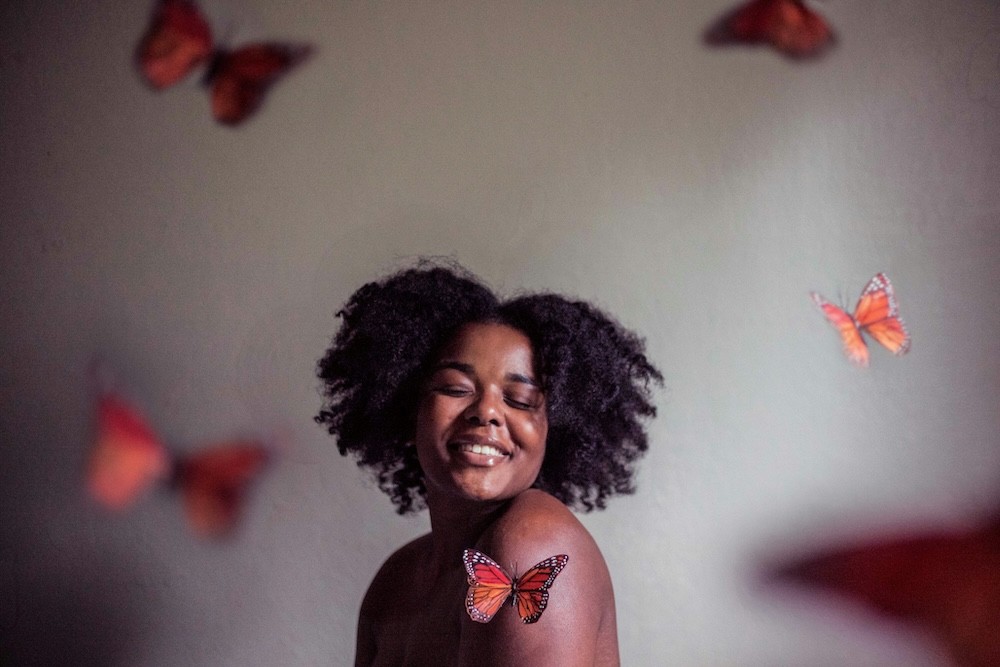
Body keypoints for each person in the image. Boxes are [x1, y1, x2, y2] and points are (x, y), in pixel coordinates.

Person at [316, 261, 661, 666]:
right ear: (408, 410)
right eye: (455, 388)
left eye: (519, 400)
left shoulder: (531, 543)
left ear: (555, 430)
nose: (487, 412)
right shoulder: (398, 579)